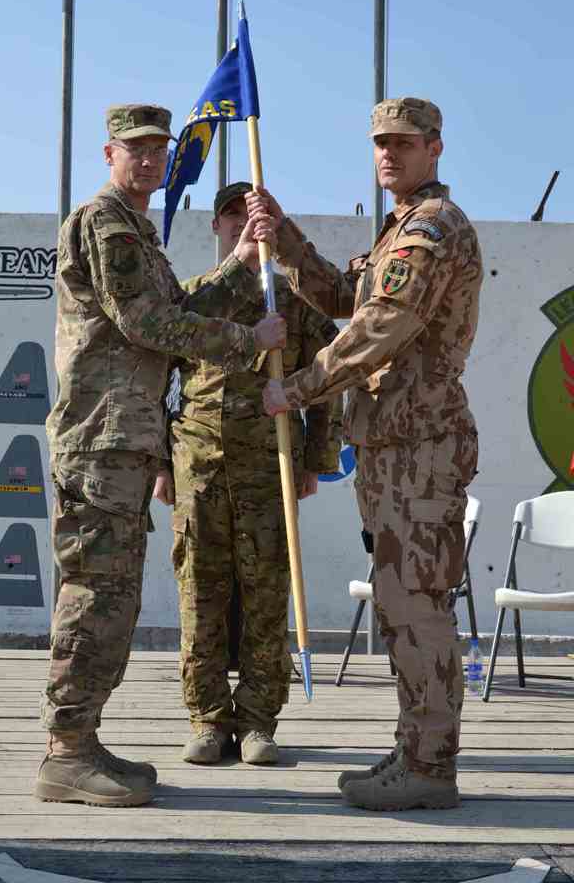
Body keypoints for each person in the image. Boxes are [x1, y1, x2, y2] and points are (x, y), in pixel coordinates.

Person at [37, 105, 286, 808]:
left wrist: (240, 265)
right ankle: (66, 751)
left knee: (112, 598)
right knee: (95, 598)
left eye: (159, 152)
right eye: (136, 151)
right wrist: (247, 341)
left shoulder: (138, 230)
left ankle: (82, 739)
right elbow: (147, 323)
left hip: (125, 441)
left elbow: (178, 303)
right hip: (102, 439)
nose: (149, 162)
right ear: (109, 153)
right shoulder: (106, 222)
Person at [248, 97, 483, 810]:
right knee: (399, 604)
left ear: (435, 148)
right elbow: (342, 298)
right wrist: (281, 236)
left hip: (421, 447)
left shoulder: (432, 230)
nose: (389, 154)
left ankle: (430, 765)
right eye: (381, 143)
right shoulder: (396, 234)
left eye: (404, 144)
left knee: (417, 605)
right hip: (390, 447)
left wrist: (302, 386)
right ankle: (416, 747)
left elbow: (381, 325)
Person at [153, 181, 342, 766]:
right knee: (199, 596)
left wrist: (318, 459)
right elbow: (156, 379)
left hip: (269, 467)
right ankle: (208, 720)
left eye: (254, 214)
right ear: (215, 227)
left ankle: (258, 721)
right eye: (231, 215)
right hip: (199, 466)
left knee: (264, 598)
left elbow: (328, 381)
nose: (242, 223)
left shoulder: (293, 301)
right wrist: (160, 462)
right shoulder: (192, 297)